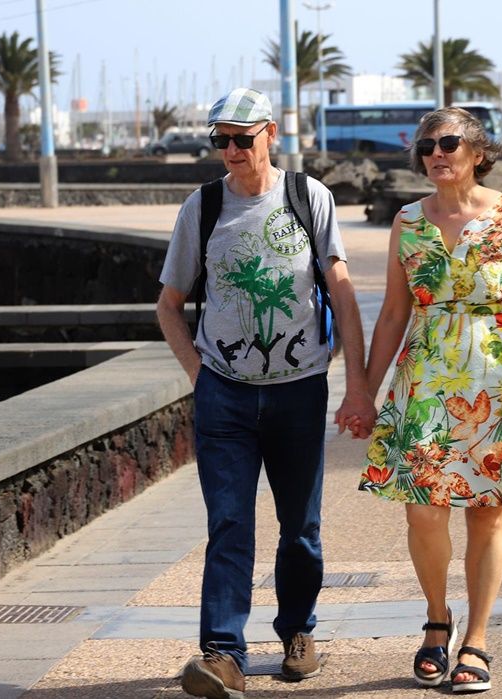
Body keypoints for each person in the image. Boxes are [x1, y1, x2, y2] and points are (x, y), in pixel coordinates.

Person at [156, 87, 376, 699]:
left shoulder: (309, 197)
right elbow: (168, 306)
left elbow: (341, 292)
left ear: (270, 134)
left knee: (300, 527)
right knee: (229, 524)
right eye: (219, 139)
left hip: (298, 389)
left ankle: (298, 633)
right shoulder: (201, 208)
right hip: (223, 395)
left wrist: (356, 384)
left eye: (241, 138)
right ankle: (223, 654)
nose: (230, 150)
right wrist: (200, 378)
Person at [358, 107, 502, 694]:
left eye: (449, 143)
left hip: (500, 376)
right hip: (425, 380)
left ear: (478, 153)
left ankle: (475, 639)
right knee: (424, 507)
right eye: (427, 146)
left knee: (487, 509)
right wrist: (363, 390)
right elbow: (396, 313)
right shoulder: (407, 220)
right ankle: (436, 618)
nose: (436, 154)